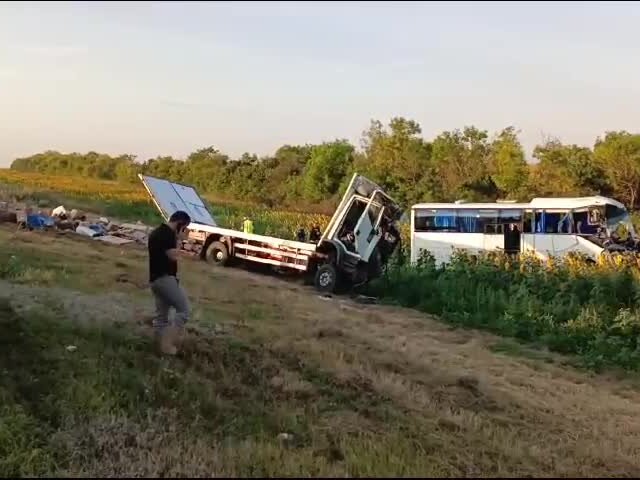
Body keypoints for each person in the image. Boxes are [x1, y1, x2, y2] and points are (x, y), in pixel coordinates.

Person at [148, 210, 192, 355]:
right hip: (165, 279)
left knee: (161, 318)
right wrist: (180, 240)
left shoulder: (157, 232)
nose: (185, 230)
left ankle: (157, 349)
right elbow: (172, 256)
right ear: (180, 223)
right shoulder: (167, 235)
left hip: (155, 280)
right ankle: (167, 345)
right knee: (184, 311)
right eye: (185, 227)